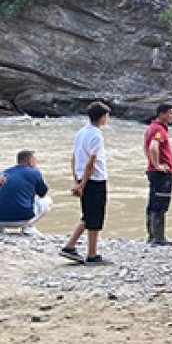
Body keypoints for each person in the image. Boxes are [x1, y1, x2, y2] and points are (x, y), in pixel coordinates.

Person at [60, 101, 111, 264]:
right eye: (106, 116)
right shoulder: (96, 135)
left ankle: (70, 246)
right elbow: (92, 161)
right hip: (95, 179)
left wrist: (77, 180)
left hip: (83, 177)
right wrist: (81, 184)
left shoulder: (81, 132)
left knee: (88, 215)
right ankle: (92, 254)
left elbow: (74, 157)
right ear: (102, 117)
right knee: (95, 217)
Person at [143, 103, 172, 245]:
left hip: (153, 171)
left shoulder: (151, 128)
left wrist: (151, 163)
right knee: (160, 203)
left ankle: (152, 236)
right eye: (170, 113)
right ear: (162, 114)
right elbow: (153, 147)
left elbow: (147, 147)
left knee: (153, 202)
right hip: (161, 173)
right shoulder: (159, 130)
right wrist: (157, 165)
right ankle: (158, 238)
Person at [0, 150, 50, 234]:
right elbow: (43, 193)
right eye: (35, 160)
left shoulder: (4, 173)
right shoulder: (34, 173)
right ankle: (28, 226)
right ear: (30, 161)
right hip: (22, 219)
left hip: (0, 219)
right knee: (47, 201)